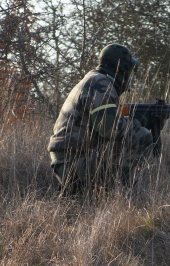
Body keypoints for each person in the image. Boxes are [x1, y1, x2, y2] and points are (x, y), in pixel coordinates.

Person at [47, 43, 154, 195]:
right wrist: (138, 123)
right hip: (74, 162)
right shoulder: (100, 84)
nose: (130, 75)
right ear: (122, 68)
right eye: (129, 69)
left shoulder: (94, 79)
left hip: (68, 159)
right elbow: (109, 129)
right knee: (142, 136)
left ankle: (85, 192)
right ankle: (120, 192)